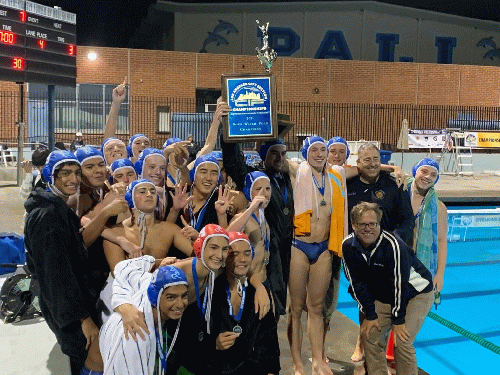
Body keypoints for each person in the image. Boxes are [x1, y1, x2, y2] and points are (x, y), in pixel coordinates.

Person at [24, 151, 103, 374]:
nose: (74, 179)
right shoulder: (48, 215)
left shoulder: (55, 207)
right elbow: (56, 274)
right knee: (97, 362)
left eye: (77, 173)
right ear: (51, 175)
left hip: (71, 303)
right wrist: (83, 318)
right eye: (65, 173)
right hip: (68, 309)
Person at [342, 202, 434, 375]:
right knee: (369, 335)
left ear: (379, 224)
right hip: (386, 295)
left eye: (373, 224)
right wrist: (370, 314)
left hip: (417, 293)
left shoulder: (393, 245)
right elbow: (356, 283)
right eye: (362, 224)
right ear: (354, 225)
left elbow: (400, 284)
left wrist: (398, 320)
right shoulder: (348, 246)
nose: (368, 228)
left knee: (402, 341)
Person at [288, 136, 347, 375]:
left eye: (324, 150)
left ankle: (317, 360)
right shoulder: (296, 170)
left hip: (323, 247)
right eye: (315, 150)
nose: (321, 154)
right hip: (299, 246)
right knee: (296, 308)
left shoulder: (336, 175)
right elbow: (277, 159)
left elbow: (360, 170)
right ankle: (297, 362)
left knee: (316, 308)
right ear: (305, 153)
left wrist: (393, 169)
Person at [222, 137, 295, 317]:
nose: (279, 158)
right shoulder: (256, 176)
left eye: (283, 154)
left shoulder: (288, 178)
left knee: (275, 308)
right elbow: (233, 163)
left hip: (282, 252)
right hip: (260, 253)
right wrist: (230, 132)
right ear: (264, 155)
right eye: (274, 153)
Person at [207, 231, 281, 375]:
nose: (242, 259)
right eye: (235, 254)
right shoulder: (212, 290)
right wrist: (213, 344)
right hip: (217, 368)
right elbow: (193, 338)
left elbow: (269, 340)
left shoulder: (259, 292)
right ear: (225, 258)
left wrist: (271, 371)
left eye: (247, 254)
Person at [98, 258, 189, 375]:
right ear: (154, 296)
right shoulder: (137, 333)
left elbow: (123, 267)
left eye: (184, 295)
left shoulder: (148, 284)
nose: (180, 304)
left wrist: (156, 262)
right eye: (171, 297)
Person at [346, 143, 414, 244]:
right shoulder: (348, 186)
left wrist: (393, 240)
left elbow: (408, 221)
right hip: (355, 249)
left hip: (387, 249)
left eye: (376, 159)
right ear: (358, 163)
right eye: (367, 160)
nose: (372, 164)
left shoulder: (395, 185)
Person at [227, 171, 273, 317]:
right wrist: (251, 208)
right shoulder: (243, 216)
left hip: (263, 281)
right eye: (258, 189)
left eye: (267, 188)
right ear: (249, 191)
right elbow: (226, 237)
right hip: (248, 284)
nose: (264, 193)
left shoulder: (263, 218)